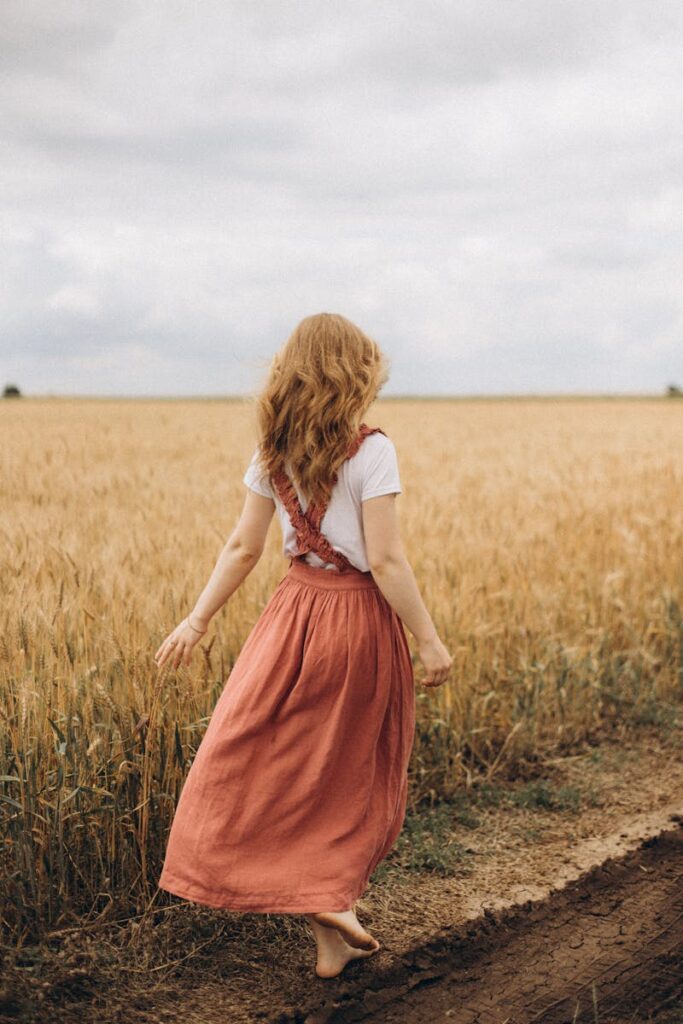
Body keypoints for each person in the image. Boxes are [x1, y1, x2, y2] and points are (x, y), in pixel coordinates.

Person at [154, 312, 453, 979]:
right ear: (353, 375)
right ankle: (330, 905)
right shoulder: (372, 450)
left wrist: (196, 620)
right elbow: (386, 561)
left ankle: (326, 923)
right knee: (345, 770)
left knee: (253, 752)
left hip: (290, 617)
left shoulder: (271, 450)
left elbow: (242, 547)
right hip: (356, 622)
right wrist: (428, 641)